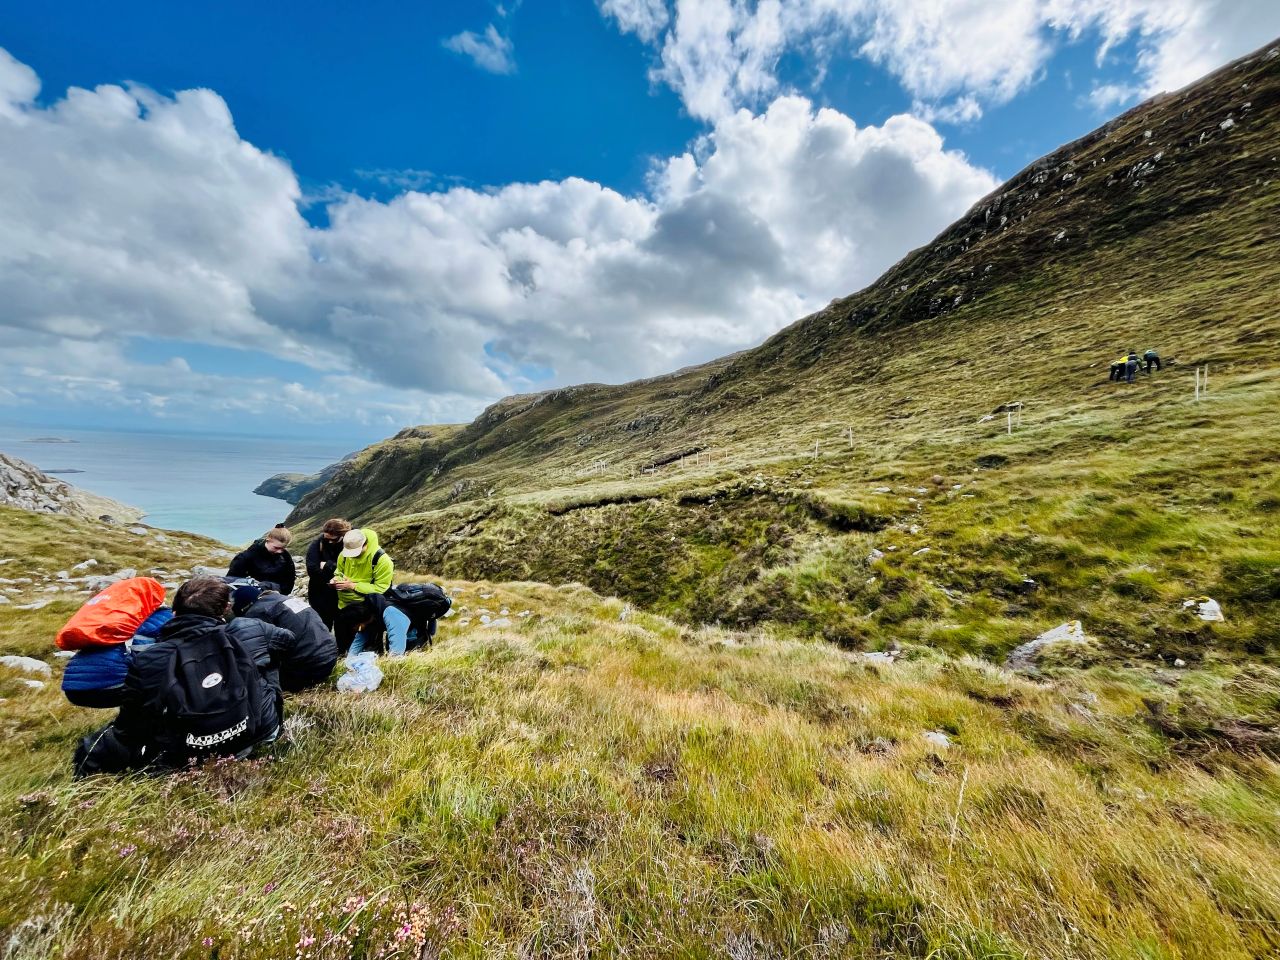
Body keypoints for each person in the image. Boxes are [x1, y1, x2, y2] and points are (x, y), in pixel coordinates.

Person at [72, 578, 283, 778]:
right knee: (266, 669)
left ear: (173, 613)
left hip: (183, 759)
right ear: (224, 610)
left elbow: (131, 726)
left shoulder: (151, 659)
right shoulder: (240, 638)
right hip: (249, 739)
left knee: (95, 744)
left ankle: (84, 790)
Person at [231, 582, 338, 691]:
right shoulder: (282, 598)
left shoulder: (256, 613)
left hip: (309, 664)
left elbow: (259, 651)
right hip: (330, 654)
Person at [332, 528, 394, 655]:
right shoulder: (344, 554)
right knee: (341, 639)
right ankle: (343, 659)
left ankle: (365, 662)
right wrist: (336, 579)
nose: (353, 556)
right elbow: (338, 571)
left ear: (365, 544)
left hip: (366, 608)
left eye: (356, 552)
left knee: (364, 643)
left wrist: (353, 585)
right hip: (343, 605)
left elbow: (381, 588)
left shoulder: (382, 560)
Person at [305, 518, 351, 630]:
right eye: (327, 538)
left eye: (333, 540)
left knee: (344, 626)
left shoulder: (350, 544)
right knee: (322, 626)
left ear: (342, 535)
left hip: (343, 594)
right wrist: (336, 573)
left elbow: (350, 568)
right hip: (320, 594)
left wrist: (327, 565)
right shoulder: (317, 544)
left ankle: (342, 647)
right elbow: (312, 569)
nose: (330, 542)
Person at [227, 525, 297, 594]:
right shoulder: (246, 557)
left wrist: (282, 593)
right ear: (268, 540)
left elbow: (290, 578)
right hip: (252, 596)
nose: (280, 551)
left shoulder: (285, 556)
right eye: (276, 548)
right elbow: (231, 581)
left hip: (277, 595)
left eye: (283, 548)